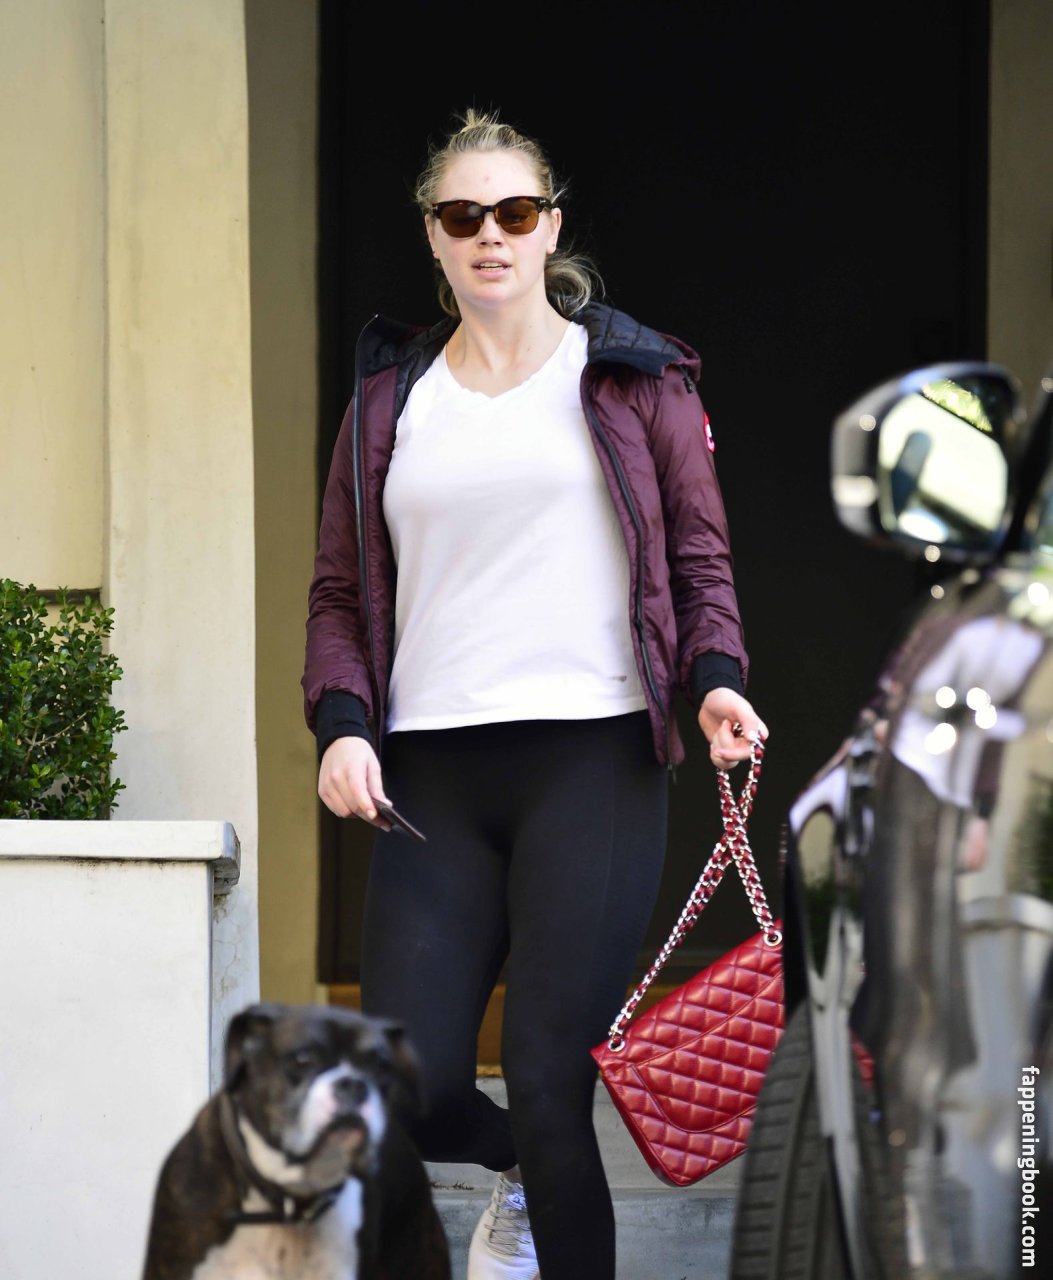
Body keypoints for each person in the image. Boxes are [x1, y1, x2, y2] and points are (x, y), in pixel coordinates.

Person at [301, 107, 768, 1280]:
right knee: (413, 1087)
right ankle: (510, 1167)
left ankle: (547, 1207)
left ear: (550, 225)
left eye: (514, 212)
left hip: (592, 758)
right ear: (433, 234)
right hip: (429, 773)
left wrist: (715, 681)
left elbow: (700, 557)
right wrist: (342, 725)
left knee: (552, 1074)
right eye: (464, 216)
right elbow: (340, 591)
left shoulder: (634, 377)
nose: (490, 236)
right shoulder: (388, 401)